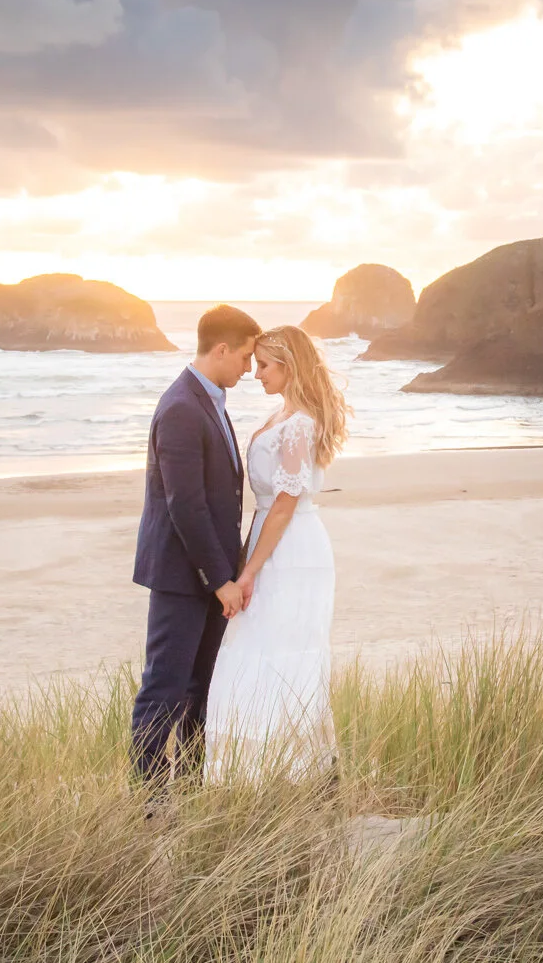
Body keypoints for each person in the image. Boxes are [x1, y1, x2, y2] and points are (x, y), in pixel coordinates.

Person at [204, 323, 349, 781]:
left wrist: (247, 573)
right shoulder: (283, 416)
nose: (256, 373)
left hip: (292, 550)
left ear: (289, 366)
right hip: (273, 541)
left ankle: (291, 770)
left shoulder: (300, 423)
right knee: (256, 646)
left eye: (264, 365)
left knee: (280, 649)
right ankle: (262, 770)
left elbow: (284, 504)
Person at [129, 303, 261, 792]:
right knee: (163, 688)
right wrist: (220, 580)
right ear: (221, 349)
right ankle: (147, 799)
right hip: (182, 577)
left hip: (207, 576)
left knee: (198, 689)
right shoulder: (182, 406)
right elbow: (185, 505)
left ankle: (188, 787)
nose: (248, 369)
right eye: (245, 358)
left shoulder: (208, 400)